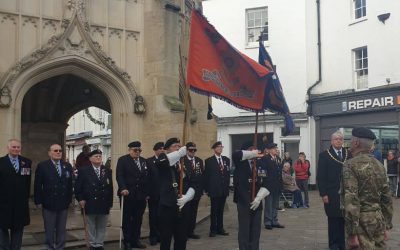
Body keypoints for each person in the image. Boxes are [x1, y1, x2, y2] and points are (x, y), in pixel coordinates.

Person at [341, 127, 393, 249]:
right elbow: (387, 198)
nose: (349, 143)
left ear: (356, 143)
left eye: (351, 140)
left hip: (361, 222)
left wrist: (352, 232)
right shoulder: (379, 165)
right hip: (378, 219)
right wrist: (386, 225)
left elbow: (351, 200)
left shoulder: (350, 165)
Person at [155, 137, 195, 250]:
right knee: (166, 240)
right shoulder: (163, 159)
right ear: (167, 149)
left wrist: (188, 196)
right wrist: (178, 153)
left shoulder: (185, 162)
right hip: (167, 207)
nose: (178, 148)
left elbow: (194, 182)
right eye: (175, 146)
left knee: (182, 239)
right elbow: (161, 163)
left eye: (179, 146)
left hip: (183, 207)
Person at [34, 144, 73, 250]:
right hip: (48, 203)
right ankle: (49, 247)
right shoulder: (43, 166)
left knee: (61, 229)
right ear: (49, 153)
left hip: (63, 203)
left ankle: (60, 247)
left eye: (60, 150)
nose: (58, 152)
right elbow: (37, 185)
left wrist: (69, 200)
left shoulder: (67, 166)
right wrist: (38, 201)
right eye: (55, 150)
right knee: (49, 229)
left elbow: (70, 185)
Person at [232, 141, 269, 250]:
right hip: (243, 201)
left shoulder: (260, 163)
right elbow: (236, 154)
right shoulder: (240, 162)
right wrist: (252, 153)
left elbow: (267, 181)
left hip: (257, 202)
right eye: (251, 149)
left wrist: (259, 197)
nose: (254, 151)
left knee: (255, 230)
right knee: (244, 229)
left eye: (255, 149)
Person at [74, 149, 113, 250]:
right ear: (90, 159)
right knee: (90, 225)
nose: (98, 158)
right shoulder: (84, 170)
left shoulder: (107, 170)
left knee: (101, 225)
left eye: (100, 156)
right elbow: (78, 187)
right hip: (90, 201)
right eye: (96, 156)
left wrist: (110, 203)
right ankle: (92, 243)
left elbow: (110, 188)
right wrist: (80, 199)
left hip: (103, 202)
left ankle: (99, 243)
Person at [317, 131, 349, 250]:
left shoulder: (347, 153)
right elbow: (321, 176)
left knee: (343, 219)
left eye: (340, 139)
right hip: (331, 193)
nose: (339, 141)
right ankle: (334, 244)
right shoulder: (324, 155)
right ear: (331, 141)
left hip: (346, 193)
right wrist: (323, 194)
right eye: (336, 139)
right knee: (333, 219)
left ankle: (342, 243)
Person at [0, 139, 32, 250]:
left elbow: (27, 182)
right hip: (3, 204)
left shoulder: (26, 162)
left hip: (20, 204)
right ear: (8, 148)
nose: (16, 149)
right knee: (2, 230)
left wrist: (26, 198)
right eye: (13, 147)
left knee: (18, 230)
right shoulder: (1, 162)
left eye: (18, 147)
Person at [116, 141, 149, 249]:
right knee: (127, 219)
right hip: (128, 195)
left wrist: (147, 193)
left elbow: (147, 178)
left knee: (138, 219)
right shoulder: (123, 160)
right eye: (135, 150)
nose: (137, 152)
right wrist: (123, 188)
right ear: (129, 150)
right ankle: (127, 241)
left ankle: (136, 240)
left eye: (139, 150)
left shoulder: (144, 161)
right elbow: (119, 175)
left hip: (140, 195)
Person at [204, 141, 231, 237]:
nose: (220, 148)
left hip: (223, 189)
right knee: (214, 210)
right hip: (214, 190)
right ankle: (213, 229)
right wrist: (207, 189)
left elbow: (227, 174)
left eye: (221, 147)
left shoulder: (226, 160)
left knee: (221, 210)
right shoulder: (209, 161)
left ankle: (220, 228)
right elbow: (206, 176)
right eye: (218, 147)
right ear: (214, 149)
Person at [260, 143, 284, 230]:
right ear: (269, 150)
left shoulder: (278, 159)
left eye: (276, 148)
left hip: (277, 185)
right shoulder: (265, 158)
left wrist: (281, 185)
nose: (276, 150)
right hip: (268, 185)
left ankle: (274, 220)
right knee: (269, 204)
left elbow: (279, 173)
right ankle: (268, 222)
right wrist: (266, 183)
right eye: (274, 148)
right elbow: (262, 172)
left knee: (275, 204)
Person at [183, 142, 204, 239]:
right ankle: (185, 232)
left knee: (193, 212)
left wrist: (201, 189)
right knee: (186, 213)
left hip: (196, 191)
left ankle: (191, 231)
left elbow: (201, 175)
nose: (193, 152)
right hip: (187, 191)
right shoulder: (183, 160)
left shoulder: (199, 160)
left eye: (194, 150)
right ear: (187, 150)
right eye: (191, 150)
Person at [146, 142, 164, 246]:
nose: (162, 150)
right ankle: (153, 236)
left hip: (164, 194)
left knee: (161, 216)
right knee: (153, 216)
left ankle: (160, 235)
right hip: (153, 194)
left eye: (163, 148)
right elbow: (147, 179)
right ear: (155, 150)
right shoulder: (149, 161)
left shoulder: (166, 160)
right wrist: (147, 193)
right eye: (160, 148)